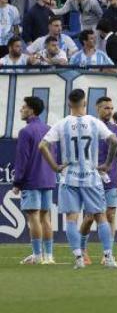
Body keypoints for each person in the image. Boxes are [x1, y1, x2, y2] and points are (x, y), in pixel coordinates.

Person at [39, 88, 117, 269]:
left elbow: (43, 145)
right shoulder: (94, 122)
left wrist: (55, 167)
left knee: (71, 219)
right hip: (91, 177)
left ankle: (78, 259)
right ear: (84, 103)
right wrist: (107, 164)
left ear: (69, 105)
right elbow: (114, 140)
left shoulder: (62, 124)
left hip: (70, 178)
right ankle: (108, 257)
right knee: (101, 217)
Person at [12, 96, 56, 265]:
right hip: (48, 179)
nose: (21, 109)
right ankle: (49, 256)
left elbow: (22, 158)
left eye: (23, 107)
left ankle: (37, 256)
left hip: (31, 180)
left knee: (33, 217)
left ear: (31, 110)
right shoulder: (49, 129)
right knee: (46, 218)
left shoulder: (26, 132)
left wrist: (17, 182)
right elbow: (54, 155)